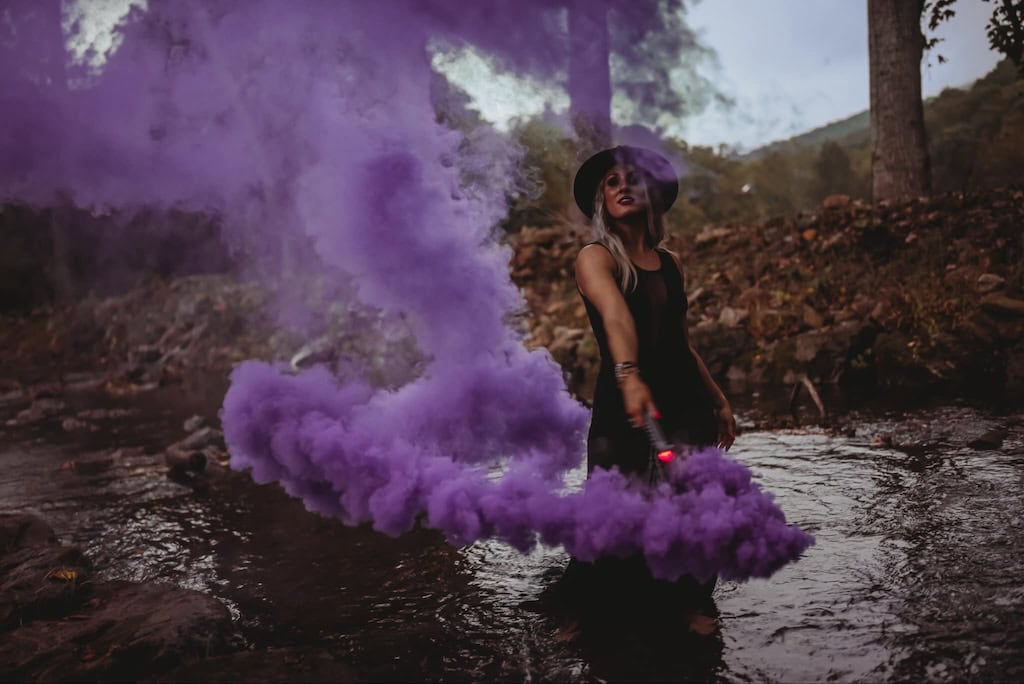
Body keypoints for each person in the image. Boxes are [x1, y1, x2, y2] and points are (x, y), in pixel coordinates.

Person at [558, 145, 737, 624]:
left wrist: (718, 401)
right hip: (623, 400)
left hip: (684, 403)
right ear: (602, 202)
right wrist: (630, 375)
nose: (622, 186)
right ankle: (582, 614)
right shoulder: (595, 258)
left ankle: (696, 606)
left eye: (632, 179)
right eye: (611, 182)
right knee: (609, 513)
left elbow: (682, 343)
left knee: (695, 507)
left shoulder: (672, 264)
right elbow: (616, 316)